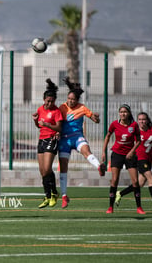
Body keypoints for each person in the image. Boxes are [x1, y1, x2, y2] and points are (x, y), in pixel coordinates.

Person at [58, 77, 106, 208]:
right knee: (63, 166)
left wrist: (96, 118)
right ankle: (64, 196)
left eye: (73, 99)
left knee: (86, 150)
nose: (70, 101)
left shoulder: (82, 108)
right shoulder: (62, 107)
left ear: (77, 100)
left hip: (77, 136)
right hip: (64, 140)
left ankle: (99, 167)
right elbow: (58, 122)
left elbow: (95, 120)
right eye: (69, 98)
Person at [101, 104, 145, 214]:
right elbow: (108, 136)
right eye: (121, 112)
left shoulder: (134, 125)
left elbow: (138, 141)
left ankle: (139, 207)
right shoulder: (114, 124)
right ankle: (110, 207)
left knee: (135, 181)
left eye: (125, 112)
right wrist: (103, 151)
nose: (123, 114)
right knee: (114, 180)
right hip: (117, 154)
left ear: (129, 113)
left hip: (130, 156)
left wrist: (132, 151)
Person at [115, 112, 152, 210]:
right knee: (151, 179)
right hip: (139, 159)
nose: (141, 121)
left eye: (143, 119)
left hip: (148, 160)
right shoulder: (135, 131)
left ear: (147, 120)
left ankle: (120, 193)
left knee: (138, 184)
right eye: (139, 119)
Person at [32, 79, 62, 209]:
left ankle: (54, 193)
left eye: (52, 101)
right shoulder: (40, 109)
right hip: (41, 140)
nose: (50, 103)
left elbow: (59, 128)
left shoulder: (56, 111)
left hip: (52, 139)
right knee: (43, 171)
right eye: (48, 101)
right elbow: (39, 126)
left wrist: (48, 125)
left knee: (48, 168)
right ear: (43, 99)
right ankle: (47, 196)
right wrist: (35, 120)